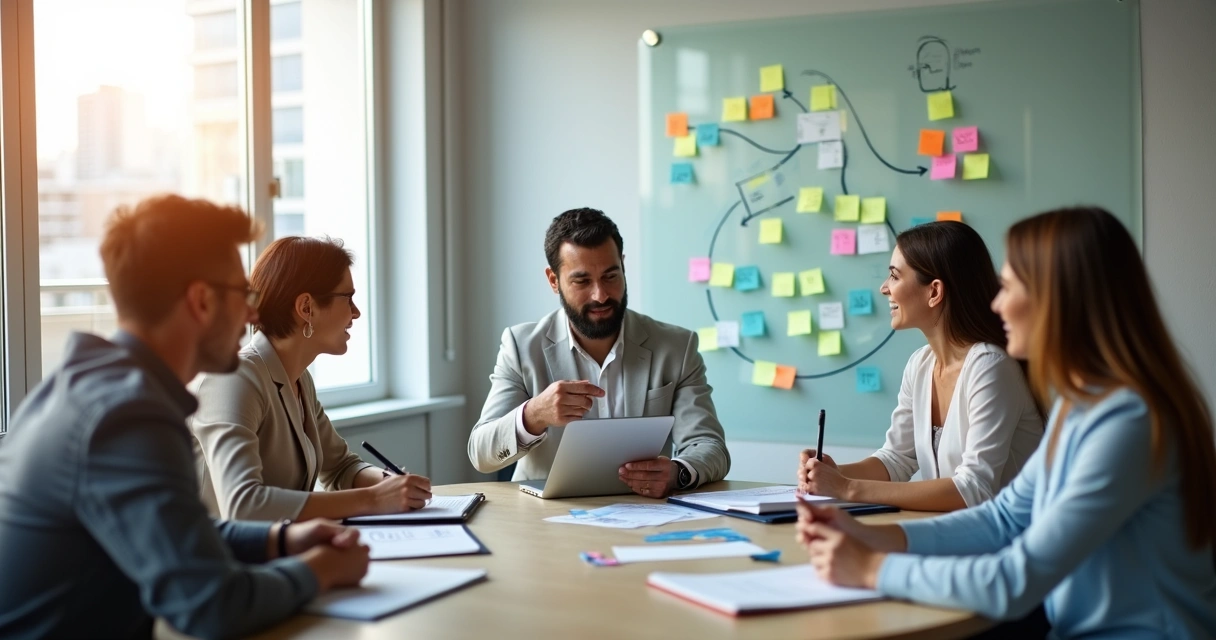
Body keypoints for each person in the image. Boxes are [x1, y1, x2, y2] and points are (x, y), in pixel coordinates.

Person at [796, 207, 1216, 638]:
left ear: (1059, 300)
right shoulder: (1083, 408)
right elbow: (1004, 518)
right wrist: (874, 537)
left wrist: (872, 568)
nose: (997, 303)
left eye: (1010, 286)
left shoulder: (1128, 422)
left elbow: (1014, 581)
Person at [0, 195, 370, 639]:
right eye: (242, 294)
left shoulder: (89, 389)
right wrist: (319, 572)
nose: (254, 312)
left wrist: (279, 541)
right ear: (201, 301)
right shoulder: (128, 417)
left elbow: (179, 530)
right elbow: (211, 606)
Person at [468, 207, 730, 497]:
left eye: (610, 276)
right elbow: (481, 453)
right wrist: (534, 414)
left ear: (623, 266)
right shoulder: (521, 346)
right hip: (542, 520)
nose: (600, 295)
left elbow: (710, 447)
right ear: (554, 280)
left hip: (644, 514)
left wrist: (678, 472)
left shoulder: (677, 347)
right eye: (582, 281)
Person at [798, 221, 1043, 511]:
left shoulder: (990, 366)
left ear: (934, 292)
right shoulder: (921, 364)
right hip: (957, 534)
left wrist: (848, 488)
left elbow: (974, 489)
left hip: (1007, 542)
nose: (884, 288)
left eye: (894, 276)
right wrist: (834, 473)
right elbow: (896, 459)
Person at [191, 236, 432, 521]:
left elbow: (341, 467)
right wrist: (374, 499)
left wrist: (388, 483)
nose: (356, 312)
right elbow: (243, 505)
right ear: (307, 308)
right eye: (348, 298)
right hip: (217, 561)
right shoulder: (234, 379)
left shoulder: (299, 379)